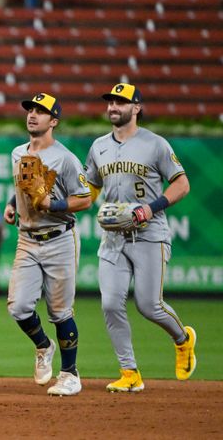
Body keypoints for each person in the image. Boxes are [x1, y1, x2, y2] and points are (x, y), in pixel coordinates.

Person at [84, 83, 196, 392]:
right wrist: (82, 203)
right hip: (114, 240)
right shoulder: (98, 147)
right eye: (110, 102)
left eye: (121, 102)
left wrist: (152, 207)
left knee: (149, 305)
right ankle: (129, 372)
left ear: (136, 108)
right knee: (109, 304)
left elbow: (182, 184)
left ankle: (183, 339)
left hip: (150, 235)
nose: (113, 107)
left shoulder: (155, 144)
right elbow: (91, 186)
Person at [3, 93, 92, 396]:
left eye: (41, 111)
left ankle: (70, 374)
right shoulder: (18, 153)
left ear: (53, 121)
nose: (32, 114)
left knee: (60, 312)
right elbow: (23, 186)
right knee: (18, 307)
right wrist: (13, 203)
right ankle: (44, 345)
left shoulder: (65, 158)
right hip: (27, 239)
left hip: (59, 239)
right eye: (30, 109)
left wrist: (52, 204)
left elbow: (85, 198)